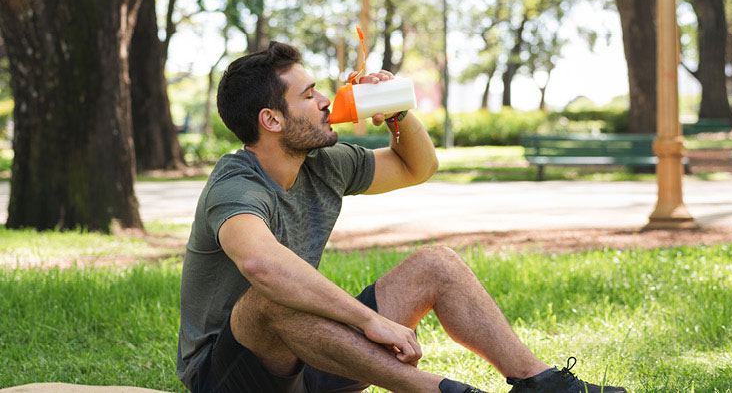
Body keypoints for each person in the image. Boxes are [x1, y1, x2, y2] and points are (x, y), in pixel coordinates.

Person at [175, 42, 627, 393]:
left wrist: (397, 113)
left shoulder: (323, 163)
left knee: (437, 264)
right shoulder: (236, 186)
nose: (326, 102)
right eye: (310, 95)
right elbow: (262, 266)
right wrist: (368, 320)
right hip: (230, 376)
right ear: (271, 120)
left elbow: (418, 167)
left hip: (308, 360)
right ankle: (438, 390)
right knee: (269, 296)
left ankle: (539, 383)